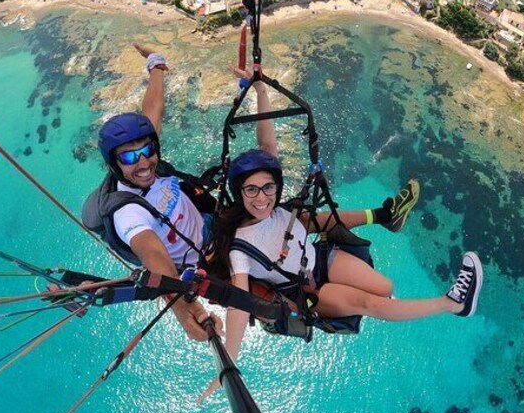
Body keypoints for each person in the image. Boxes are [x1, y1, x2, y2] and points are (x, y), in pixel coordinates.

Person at [85, 45, 422, 342]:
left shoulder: (144, 157)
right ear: (114, 163)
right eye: (129, 157)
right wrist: (188, 314)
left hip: (217, 221)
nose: (143, 162)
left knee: (298, 219)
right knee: (262, 295)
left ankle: (383, 216)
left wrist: (157, 65)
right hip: (207, 260)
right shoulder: (128, 212)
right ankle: (289, 313)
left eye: (147, 151)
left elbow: (152, 110)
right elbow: (157, 263)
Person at [197, 106, 483, 401]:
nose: (262, 198)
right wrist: (229, 362)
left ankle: (387, 288)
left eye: (268, 187)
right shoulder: (239, 247)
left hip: (320, 258)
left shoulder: (279, 210)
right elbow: (240, 305)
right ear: (240, 192)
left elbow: (269, 147)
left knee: (387, 287)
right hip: (307, 291)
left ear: (276, 186)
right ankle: (453, 304)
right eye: (252, 190)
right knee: (369, 303)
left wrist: (259, 89)